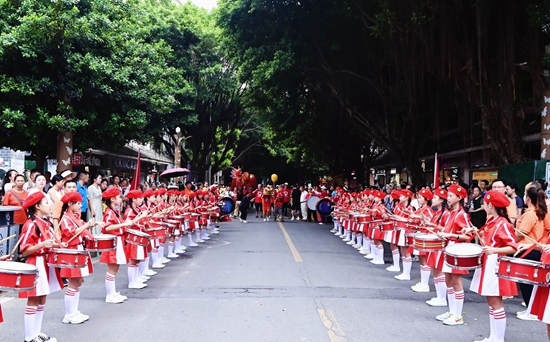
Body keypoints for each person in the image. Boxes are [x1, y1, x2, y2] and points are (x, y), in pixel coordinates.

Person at [467, 190, 518, 342]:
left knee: (496, 302)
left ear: (490, 205)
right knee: (491, 301)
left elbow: (513, 247)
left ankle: (499, 338)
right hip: (488, 262)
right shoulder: (491, 221)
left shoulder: (503, 223)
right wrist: (474, 231)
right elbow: (487, 238)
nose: (482, 205)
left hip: (496, 264)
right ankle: (493, 337)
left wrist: (494, 250)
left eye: (484, 203)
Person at [18, 191, 63, 342]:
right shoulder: (31, 224)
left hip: (44, 263)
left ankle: (36, 333)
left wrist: (57, 245)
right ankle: (29, 337)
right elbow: (24, 250)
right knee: (33, 299)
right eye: (47, 203)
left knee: (42, 299)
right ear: (37, 206)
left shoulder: (45, 222)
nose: (50, 205)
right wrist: (42, 244)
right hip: (35, 263)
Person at [434, 184, 472, 326]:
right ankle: (452, 311)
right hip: (449, 248)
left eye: (450, 196)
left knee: (456, 282)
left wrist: (449, 235)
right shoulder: (451, 213)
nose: (448, 198)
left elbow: (467, 236)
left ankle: (458, 315)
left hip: (457, 250)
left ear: (459, 197)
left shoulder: (462, 214)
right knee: (448, 281)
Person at [59, 192, 99, 324]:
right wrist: (86, 225)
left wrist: (91, 224)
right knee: (72, 283)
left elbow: (82, 228)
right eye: (78, 203)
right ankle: (69, 314)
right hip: (71, 251)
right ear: (70, 204)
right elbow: (70, 233)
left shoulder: (74, 216)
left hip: (77, 250)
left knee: (77, 282)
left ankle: (74, 311)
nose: (80, 205)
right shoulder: (65, 218)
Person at [514, 183, 548, 321]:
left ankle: (531, 311)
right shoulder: (539, 212)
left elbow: (520, 234)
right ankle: (530, 309)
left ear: (528, 199)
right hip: (533, 249)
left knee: (526, 282)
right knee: (529, 282)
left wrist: (512, 236)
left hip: (527, 249)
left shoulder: (529, 214)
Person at [100, 187, 132, 304]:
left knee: (115, 268)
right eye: (118, 197)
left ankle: (112, 292)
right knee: (112, 269)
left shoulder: (115, 211)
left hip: (117, 241)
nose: (120, 199)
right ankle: (110, 294)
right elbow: (106, 227)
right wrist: (122, 225)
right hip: (113, 242)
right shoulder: (109, 212)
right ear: (113, 199)